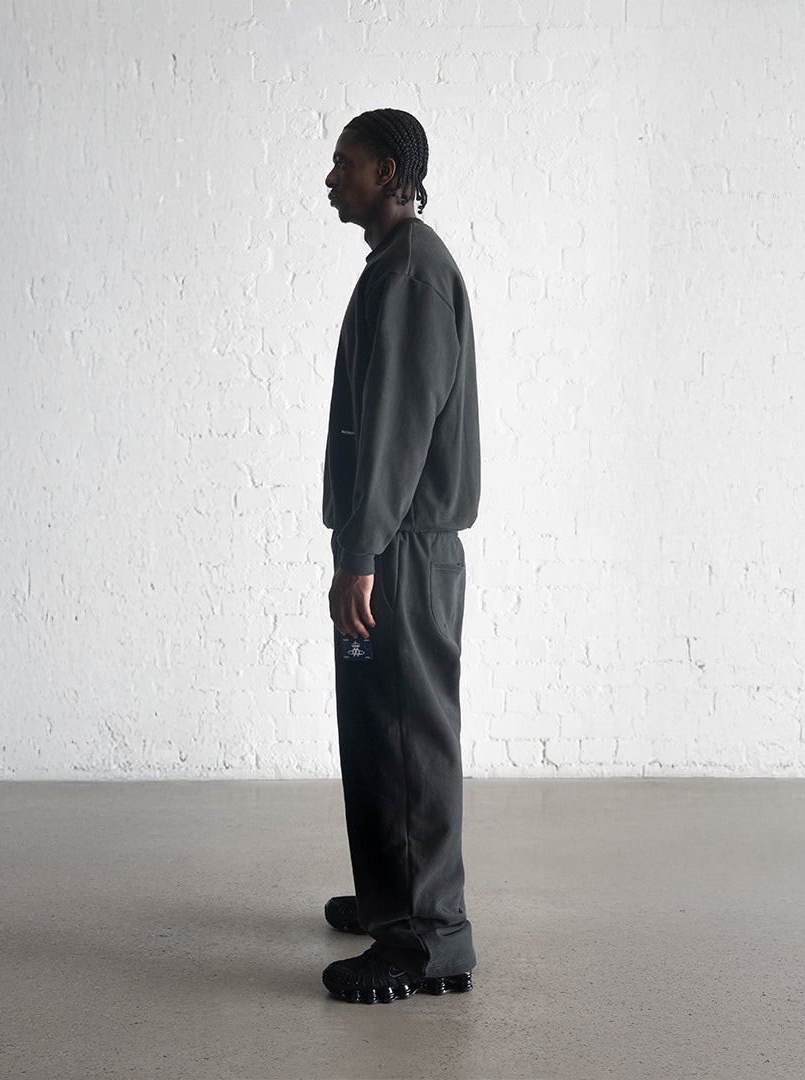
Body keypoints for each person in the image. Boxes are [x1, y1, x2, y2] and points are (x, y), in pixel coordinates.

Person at [317, 107, 481, 1005]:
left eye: (345, 162)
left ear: (388, 172)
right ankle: (393, 899)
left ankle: (427, 941)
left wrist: (362, 550)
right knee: (378, 728)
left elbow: (397, 431)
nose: (331, 177)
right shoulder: (393, 267)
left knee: (410, 736)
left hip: (403, 551)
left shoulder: (414, 273)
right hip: (391, 543)